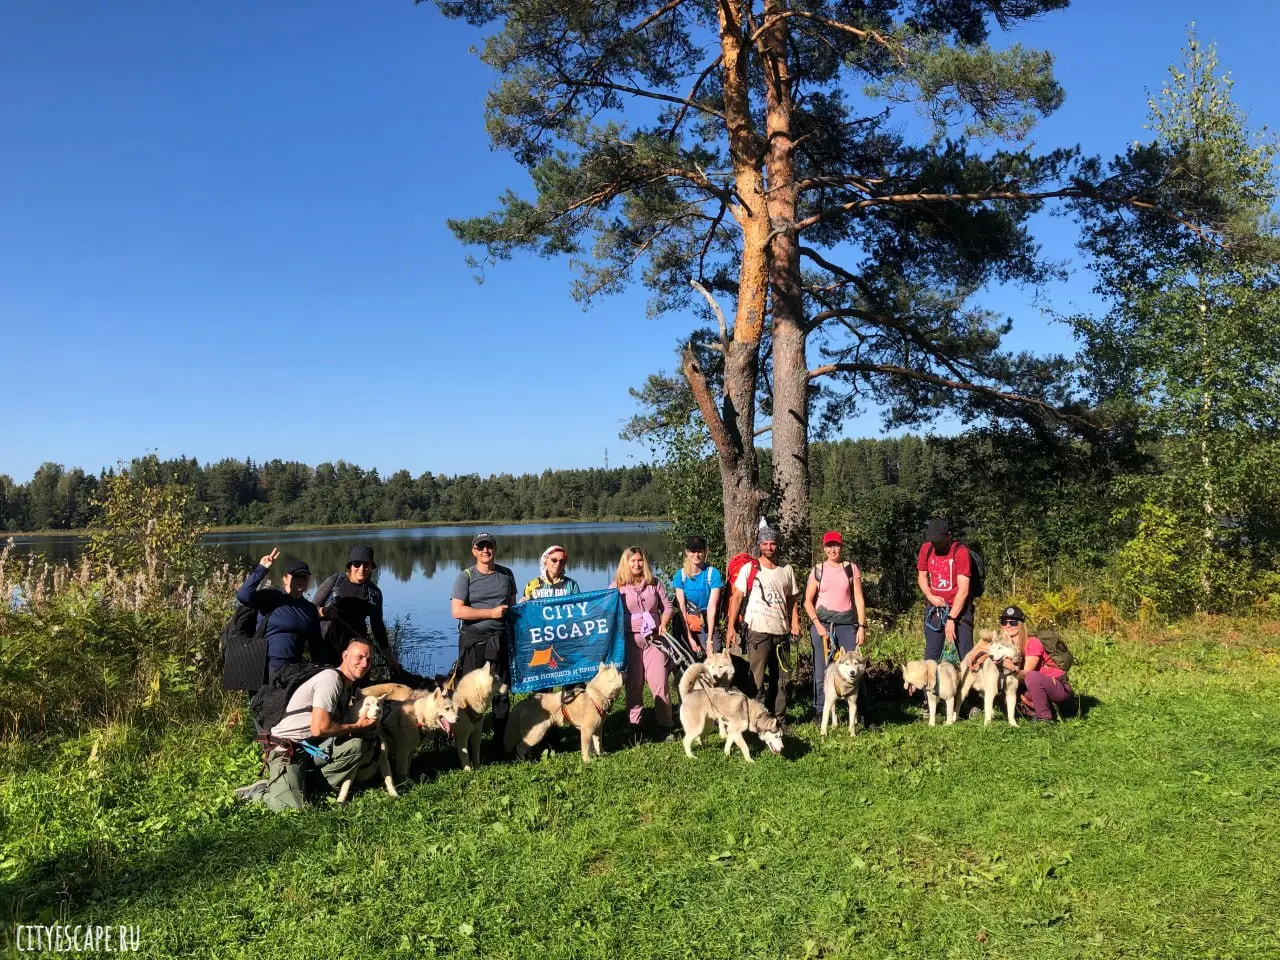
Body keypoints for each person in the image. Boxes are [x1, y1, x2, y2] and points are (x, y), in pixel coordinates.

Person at [256, 640, 379, 812]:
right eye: (359, 657)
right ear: (345, 656)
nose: (365, 663)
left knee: (356, 747)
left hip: (311, 747)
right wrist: (358, 726)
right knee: (290, 811)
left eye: (369, 659)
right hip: (287, 749)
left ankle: (302, 785)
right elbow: (319, 728)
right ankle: (260, 792)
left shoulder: (348, 687)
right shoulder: (331, 680)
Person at [726, 525, 800, 719]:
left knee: (782, 679)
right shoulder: (749, 569)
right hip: (758, 631)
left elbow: (792, 598)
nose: (769, 547)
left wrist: (794, 621)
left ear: (778, 545)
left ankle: (778, 718)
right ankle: (757, 718)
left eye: (773, 543)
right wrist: (731, 628)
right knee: (757, 679)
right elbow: (737, 598)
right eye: (765, 543)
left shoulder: (786, 569)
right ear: (760, 545)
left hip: (781, 631)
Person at [450, 532, 517, 734]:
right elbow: (457, 611)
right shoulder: (466, 577)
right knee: (471, 693)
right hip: (474, 643)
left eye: (489, 546)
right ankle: (467, 740)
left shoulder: (507, 574)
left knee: (501, 692)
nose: (485, 550)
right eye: (481, 547)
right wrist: (491, 613)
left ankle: (501, 738)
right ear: (474, 551)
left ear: (494, 549)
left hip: (501, 641)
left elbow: (512, 607)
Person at [962, 605, 1073, 722]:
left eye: (1013, 622)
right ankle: (1028, 713)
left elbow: (1026, 675)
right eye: (1004, 622)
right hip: (1035, 689)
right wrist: (978, 657)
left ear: (1021, 624)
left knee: (1032, 677)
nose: (1008, 625)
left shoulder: (1032, 643)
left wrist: (1008, 667)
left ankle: (1044, 718)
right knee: (1003, 685)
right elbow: (983, 646)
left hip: (1057, 687)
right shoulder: (1002, 645)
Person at [803, 531, 867, 721]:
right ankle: (820, 710)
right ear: (824, 548)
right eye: (829, 546)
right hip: (822, 623)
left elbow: (859, 598)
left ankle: (863, 713)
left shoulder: (851, 569)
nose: (833, 550)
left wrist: (862, 626)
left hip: (847, 624)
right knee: (823, 669)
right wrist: (817, 625)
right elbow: (807, 601)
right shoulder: (818, 570)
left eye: (836, 545)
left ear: (842, 547)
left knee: (856, 666)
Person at [612, 545, 674, 741]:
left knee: (660, 682)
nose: (637, 564)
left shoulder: (654, 583)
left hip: (654, 639)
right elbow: (604, 609)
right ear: (626, 563)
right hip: (630, 640)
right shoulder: (617, 587)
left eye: (640, 560)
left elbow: (668, 606)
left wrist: (664, 623)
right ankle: (635, 725)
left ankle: (665, 724)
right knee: (634, 684)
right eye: (633, 561)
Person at [235, 547, 324, 679]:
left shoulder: (309, 609)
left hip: (293, 670)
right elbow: (243, 596)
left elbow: (316, 645)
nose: (300, 580)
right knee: (262, 700)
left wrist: (321, 671)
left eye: (304, 577)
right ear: (285, 579)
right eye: (296, 576)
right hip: (263, 667)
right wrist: (261, 569)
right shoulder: (271, 597)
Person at [313, 546, 401, 675]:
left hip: (357, 652)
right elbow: (308, 609)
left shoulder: (374, 593)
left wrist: (390, 658)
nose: (361, 569)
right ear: (350, 566)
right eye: (357, 564)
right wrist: (324, 611)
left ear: (371, 567)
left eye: (366, 565)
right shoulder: (335, 583)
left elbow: (378, 628)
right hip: (328, 647)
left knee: (358, 691)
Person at [916, 518, 975, 663]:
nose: (936, 544)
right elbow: (922, 576)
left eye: (939, 541)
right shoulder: (927, 549)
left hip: (959, 611)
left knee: (967, 656)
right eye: (933, 541)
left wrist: (951, 618)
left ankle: (970, 684)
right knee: (931, 655)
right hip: (935, 610)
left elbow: (964, 590)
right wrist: (930, 596)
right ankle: (930, 684)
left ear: (948, 536)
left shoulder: (960, 552)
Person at [672, 536, 723, 654]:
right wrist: (690, 638)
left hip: (706, 621)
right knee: (685, 659)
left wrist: (709, 639)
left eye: (699, 551)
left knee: (715, 653)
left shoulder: (713, 574)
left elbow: (712, 608)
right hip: (686, 621)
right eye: (693, 551)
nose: (696, 554)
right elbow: (682, 608)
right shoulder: (680, 575)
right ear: (687, 552)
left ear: (705, 552)